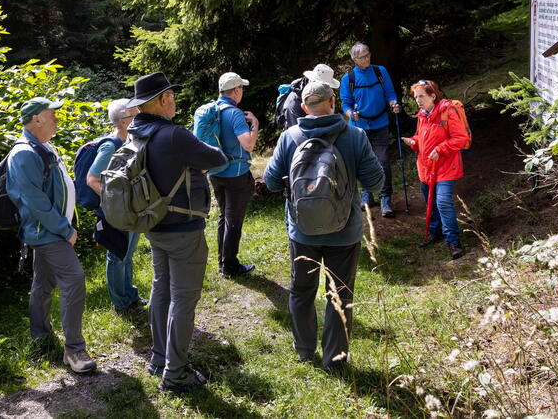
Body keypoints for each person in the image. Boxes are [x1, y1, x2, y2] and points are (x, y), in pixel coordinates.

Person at [263, 81, 385, 371]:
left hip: (302, 230)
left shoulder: (289, 136)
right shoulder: (355, 136)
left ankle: (305, 351)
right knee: (339, 295)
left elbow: (269, 181)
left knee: (302, 291)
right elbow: (376, 182)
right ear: (334, 102)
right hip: (345, 232)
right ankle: (335, 360)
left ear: (304, 107)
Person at [125, 71, 228, 393]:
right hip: (183, 227)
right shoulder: (174, 135)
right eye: (171, 95)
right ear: (162, 100)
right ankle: (176, 372)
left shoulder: (135, 131)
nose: (174, 101)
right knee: (183, 298)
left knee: (162, 289)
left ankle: (158, 358)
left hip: (154, 224)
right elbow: (218, 159)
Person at [7, 96, 96, 374]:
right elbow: (35, 201)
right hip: (46, 231)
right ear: (36, 120)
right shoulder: (24, 153)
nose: (57, 120)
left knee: (42, 283)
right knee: (74, 278)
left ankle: (40, 335)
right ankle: (74, 350)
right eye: (52, 115)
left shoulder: (41, 146)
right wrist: (64, 228)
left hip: (50, 228)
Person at [85, 99, 145, 314]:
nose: (139, 119)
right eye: (134, 116)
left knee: (127, 255)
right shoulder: (110, 146)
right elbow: (92, 179)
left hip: (130, 210)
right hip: (116, 212)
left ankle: (130, 295)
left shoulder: (130, 142)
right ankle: (121, 304)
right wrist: (117, 201)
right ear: (121, 122)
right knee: (117, 256)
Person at [402, 79, 468, 259]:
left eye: (422, 96)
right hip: (426, 168)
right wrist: (414, 141)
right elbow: (421, 137)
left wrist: (440, 149)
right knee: (429, 200)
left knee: (443, 201)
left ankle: (453, 241)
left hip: (445, 166)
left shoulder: (447, 111)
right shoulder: (422, 115)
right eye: (416, 97)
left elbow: (460, 138)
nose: (418, 100)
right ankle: (435, 231)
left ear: (433, 95)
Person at [339, 42, 402, 218]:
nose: (367, 58)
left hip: (380, 123)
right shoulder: (348, 79)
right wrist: (351, 114)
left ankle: (385, 198)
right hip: (359, 127)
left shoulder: (380, 71)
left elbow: (390, 93)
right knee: (363, 162)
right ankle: (367, 194)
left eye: (368, 55)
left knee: (382, 161)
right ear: (354, 59)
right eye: (362, 57)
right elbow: (345, 103)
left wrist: (393, 104)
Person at [208, 72, 259, 278]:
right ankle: (230, 266)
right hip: (236, 174)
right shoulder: (235, 113)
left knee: (224, 217)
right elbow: (248, 144)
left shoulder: (213, 110)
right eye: (242, 89)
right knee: (233, 220)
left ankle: (223, 260)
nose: (242, 92)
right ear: (236, 90)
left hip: (216, 172)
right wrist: (255, 123)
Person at [280, 63, 341, 129]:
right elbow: (298, 134)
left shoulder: (323, 96)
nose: (326, 90)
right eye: (324, 86)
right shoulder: (294, 103)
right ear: (312, 81)